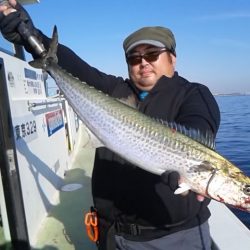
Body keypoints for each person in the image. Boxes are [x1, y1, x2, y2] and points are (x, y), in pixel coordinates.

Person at [0, 1, 220, 250]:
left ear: (172, 58)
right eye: (134, 57)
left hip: (173, 237)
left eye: (152, 55)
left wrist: (183, 161)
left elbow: (199, 127)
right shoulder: (115, 90)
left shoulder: (193, 95)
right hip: (111, 235)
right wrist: (30, 35)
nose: (143, 62)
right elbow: (76, 67)